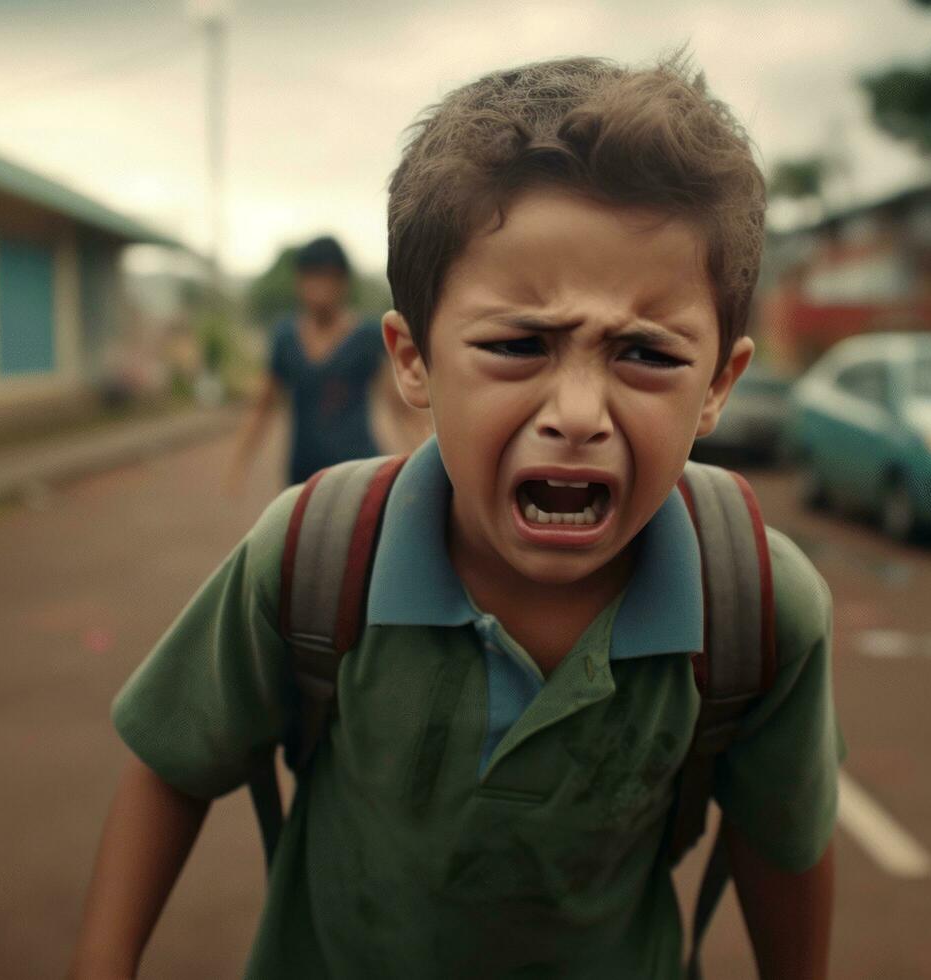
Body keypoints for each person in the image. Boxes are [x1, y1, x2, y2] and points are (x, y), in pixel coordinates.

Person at [71, 55, 842, 979]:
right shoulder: (314, 558)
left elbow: (782, 843)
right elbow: (175, 764)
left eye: (645, 353)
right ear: (412, 361)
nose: (579, 413)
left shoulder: (754, 604)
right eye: (518, 345)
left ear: (719, 381)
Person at [228, 235, 426, 492]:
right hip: (303, 477)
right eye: (313, 277)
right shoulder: (285, 339)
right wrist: (240, 463)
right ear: (299, 282)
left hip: (360, 475)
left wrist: (425, 459)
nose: (321, 288)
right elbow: (262, 406)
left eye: (329, 277)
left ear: (344, 283)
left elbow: (398, 405)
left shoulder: (366, 337)